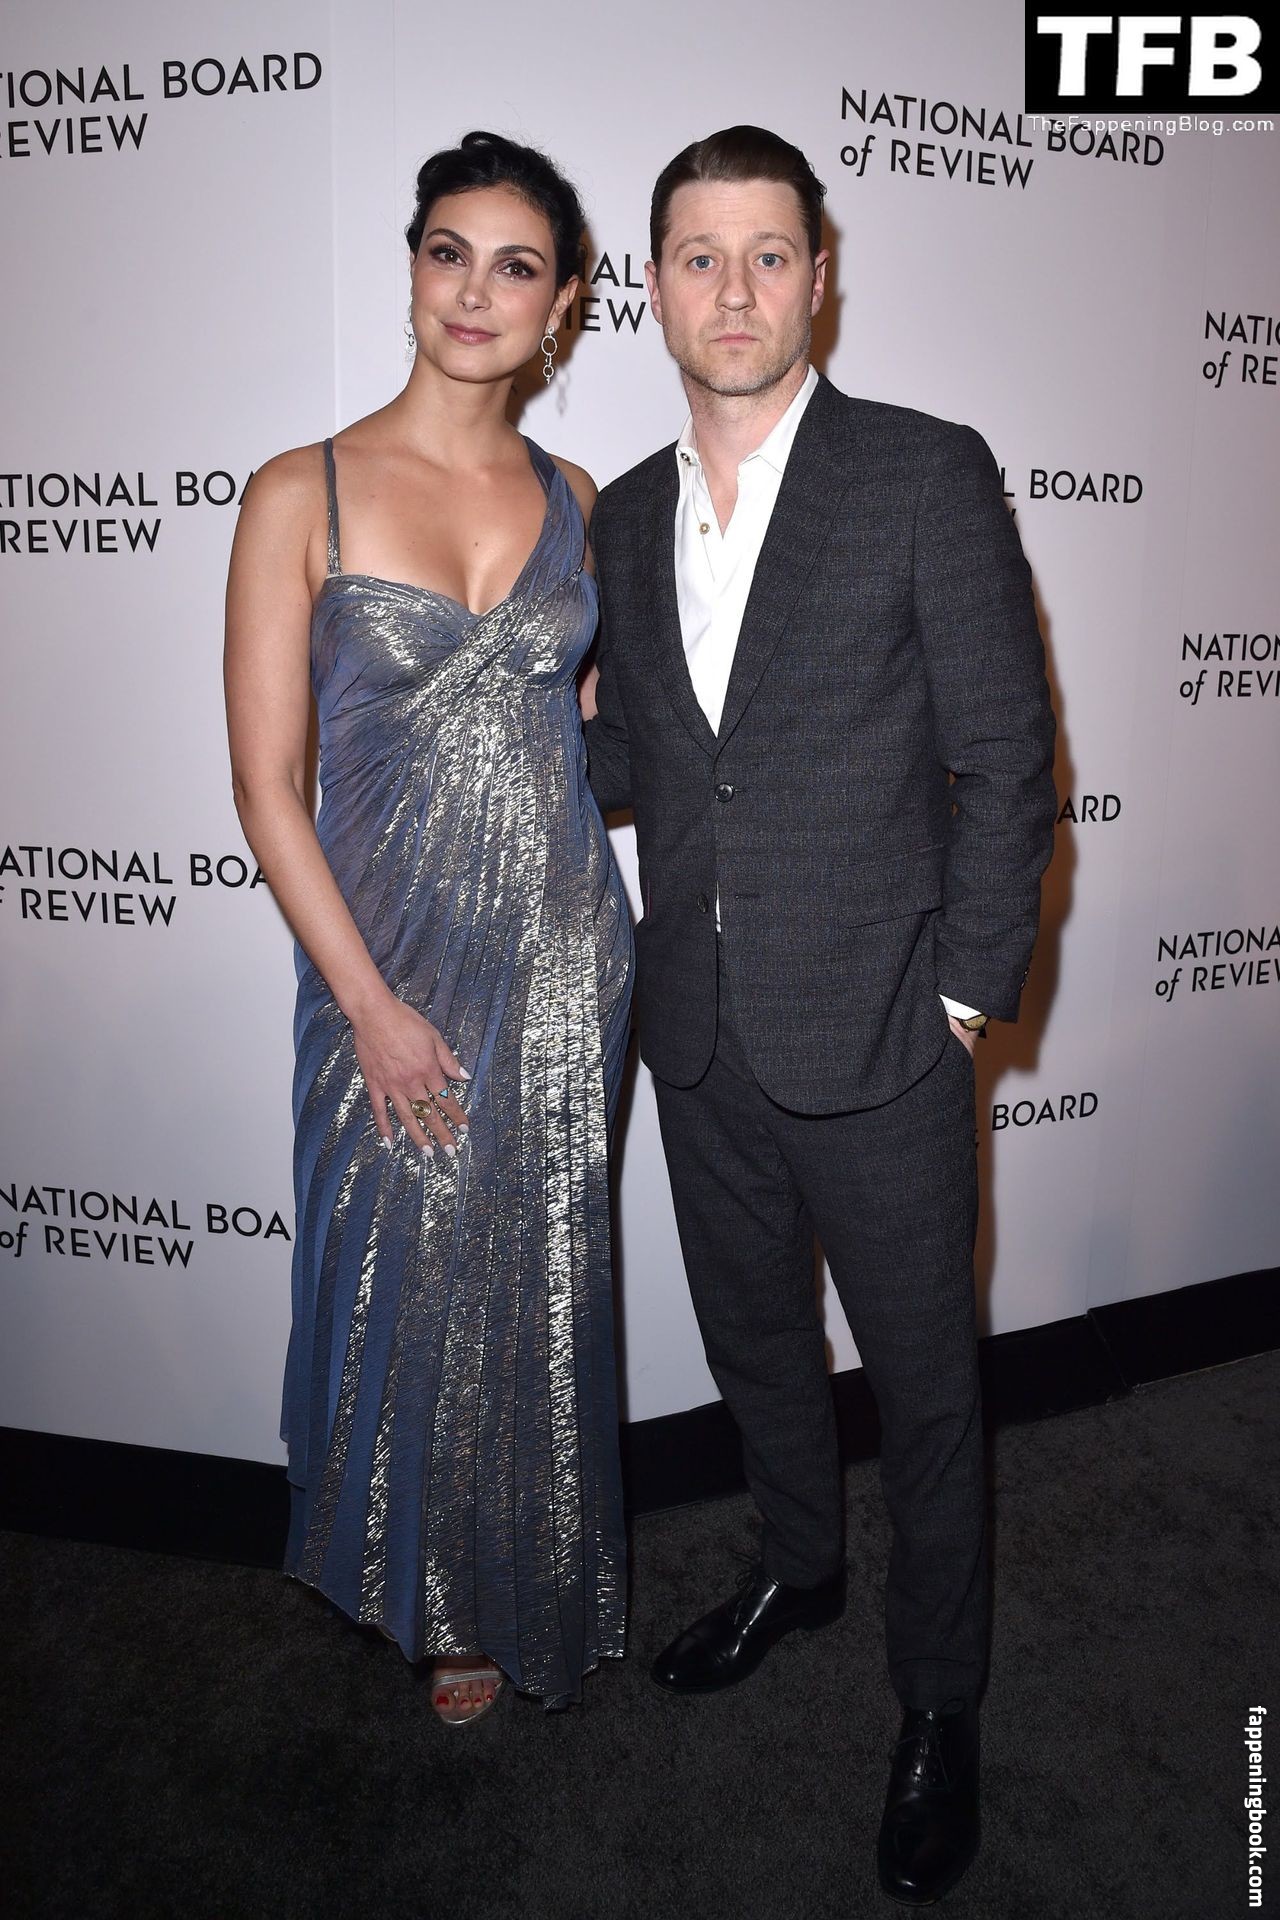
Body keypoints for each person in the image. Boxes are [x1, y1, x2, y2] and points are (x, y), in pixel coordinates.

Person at [581, 125, 1056, 1901]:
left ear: (818, 276)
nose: (735, 290)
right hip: (697, 1033)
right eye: (700, 257)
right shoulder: (622, 515)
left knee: (925, 1389)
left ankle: (940, 1701)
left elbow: (1007, 763)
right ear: (652, 286)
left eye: (767, 255)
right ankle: (801, 1561)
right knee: (756, 1343)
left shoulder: (924, 471)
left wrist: (963, 998)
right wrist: (508, 722)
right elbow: (649, 764)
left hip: (883, 1039)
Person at [224, 131, 632, 1724]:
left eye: (516, 266)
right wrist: (372, 1006)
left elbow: (585, 742)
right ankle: (432, 1590)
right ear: (411, 269)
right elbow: (268, 787)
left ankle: (522, 1581)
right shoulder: (299, 491)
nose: (475, 290)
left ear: (564, 304)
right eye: (449, 251)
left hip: (564, 954)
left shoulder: (578, 499)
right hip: (379, 964)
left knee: (538, 1280)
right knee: (400, 1275)